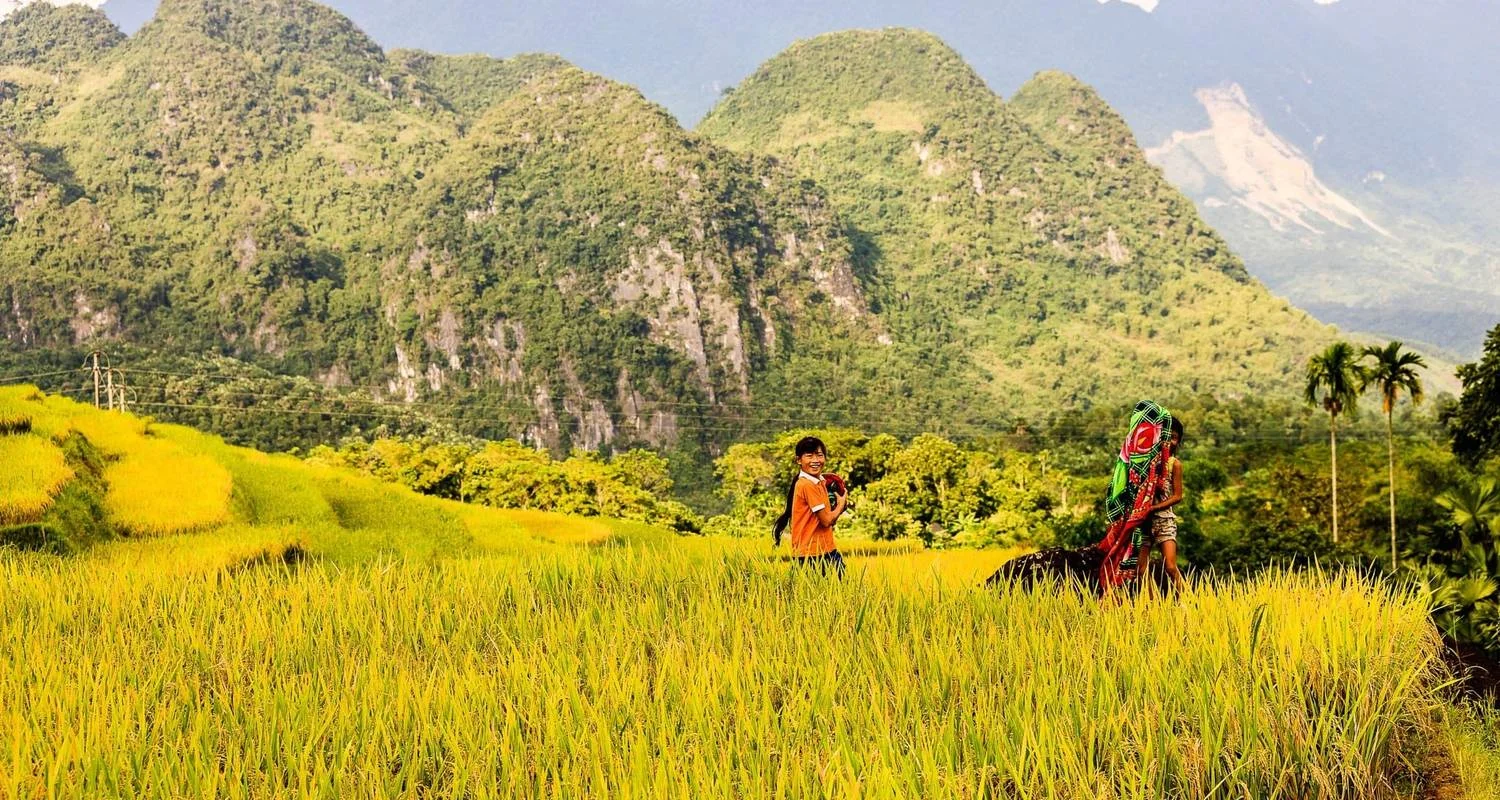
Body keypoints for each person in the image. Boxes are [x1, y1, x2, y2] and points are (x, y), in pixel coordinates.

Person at [771, 436, 848, 577]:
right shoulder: (807, 484)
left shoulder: (818, 483)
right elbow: (827, 520)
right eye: (809, 456)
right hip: (811, 556)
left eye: (819, 455)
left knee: (838, 594)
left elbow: (829, 521)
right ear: (799, 460)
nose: (815, 460)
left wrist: (836, 509)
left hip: (825, 550)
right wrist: (841, 504)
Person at [1136, 418, 1187, 594]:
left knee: (1171, 567)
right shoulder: (1146, 463)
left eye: (1174, 438)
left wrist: (1154, 508)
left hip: (1164, 521)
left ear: (1178, 441)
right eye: (1166, 437)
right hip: (1143, 522)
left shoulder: (1175, 465)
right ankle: (1152, 606)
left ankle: (1190, 602)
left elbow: (1177, 496)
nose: (1170, 441)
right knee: (1141, 570)